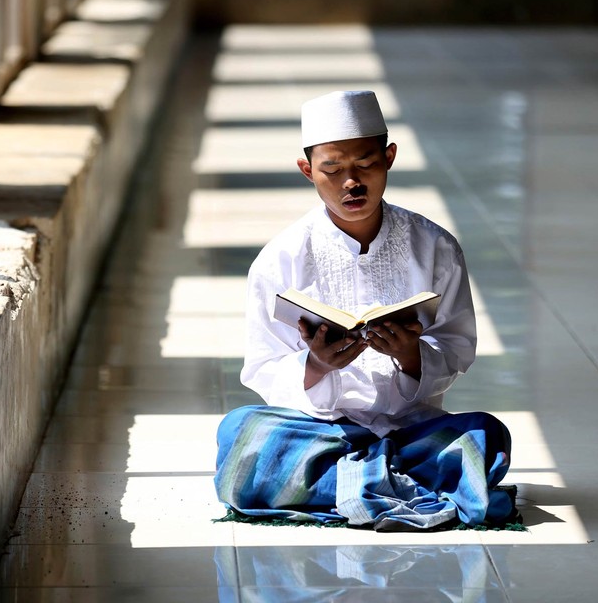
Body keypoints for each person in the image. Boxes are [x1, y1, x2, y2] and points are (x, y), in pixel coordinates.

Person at [214, 90, 515, 531]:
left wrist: (412, 357)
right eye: (332, 170)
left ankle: (345, 485)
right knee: (240, 433)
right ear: (307, 171)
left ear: (389, 157)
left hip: (413, 428)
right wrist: (315, 366)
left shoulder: (436, 248)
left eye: (365, 165)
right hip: (322, 432)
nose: (351, 183)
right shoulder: (280, 258)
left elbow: (456, 345)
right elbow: (262, 366)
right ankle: (394, 480)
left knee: (486, 436)